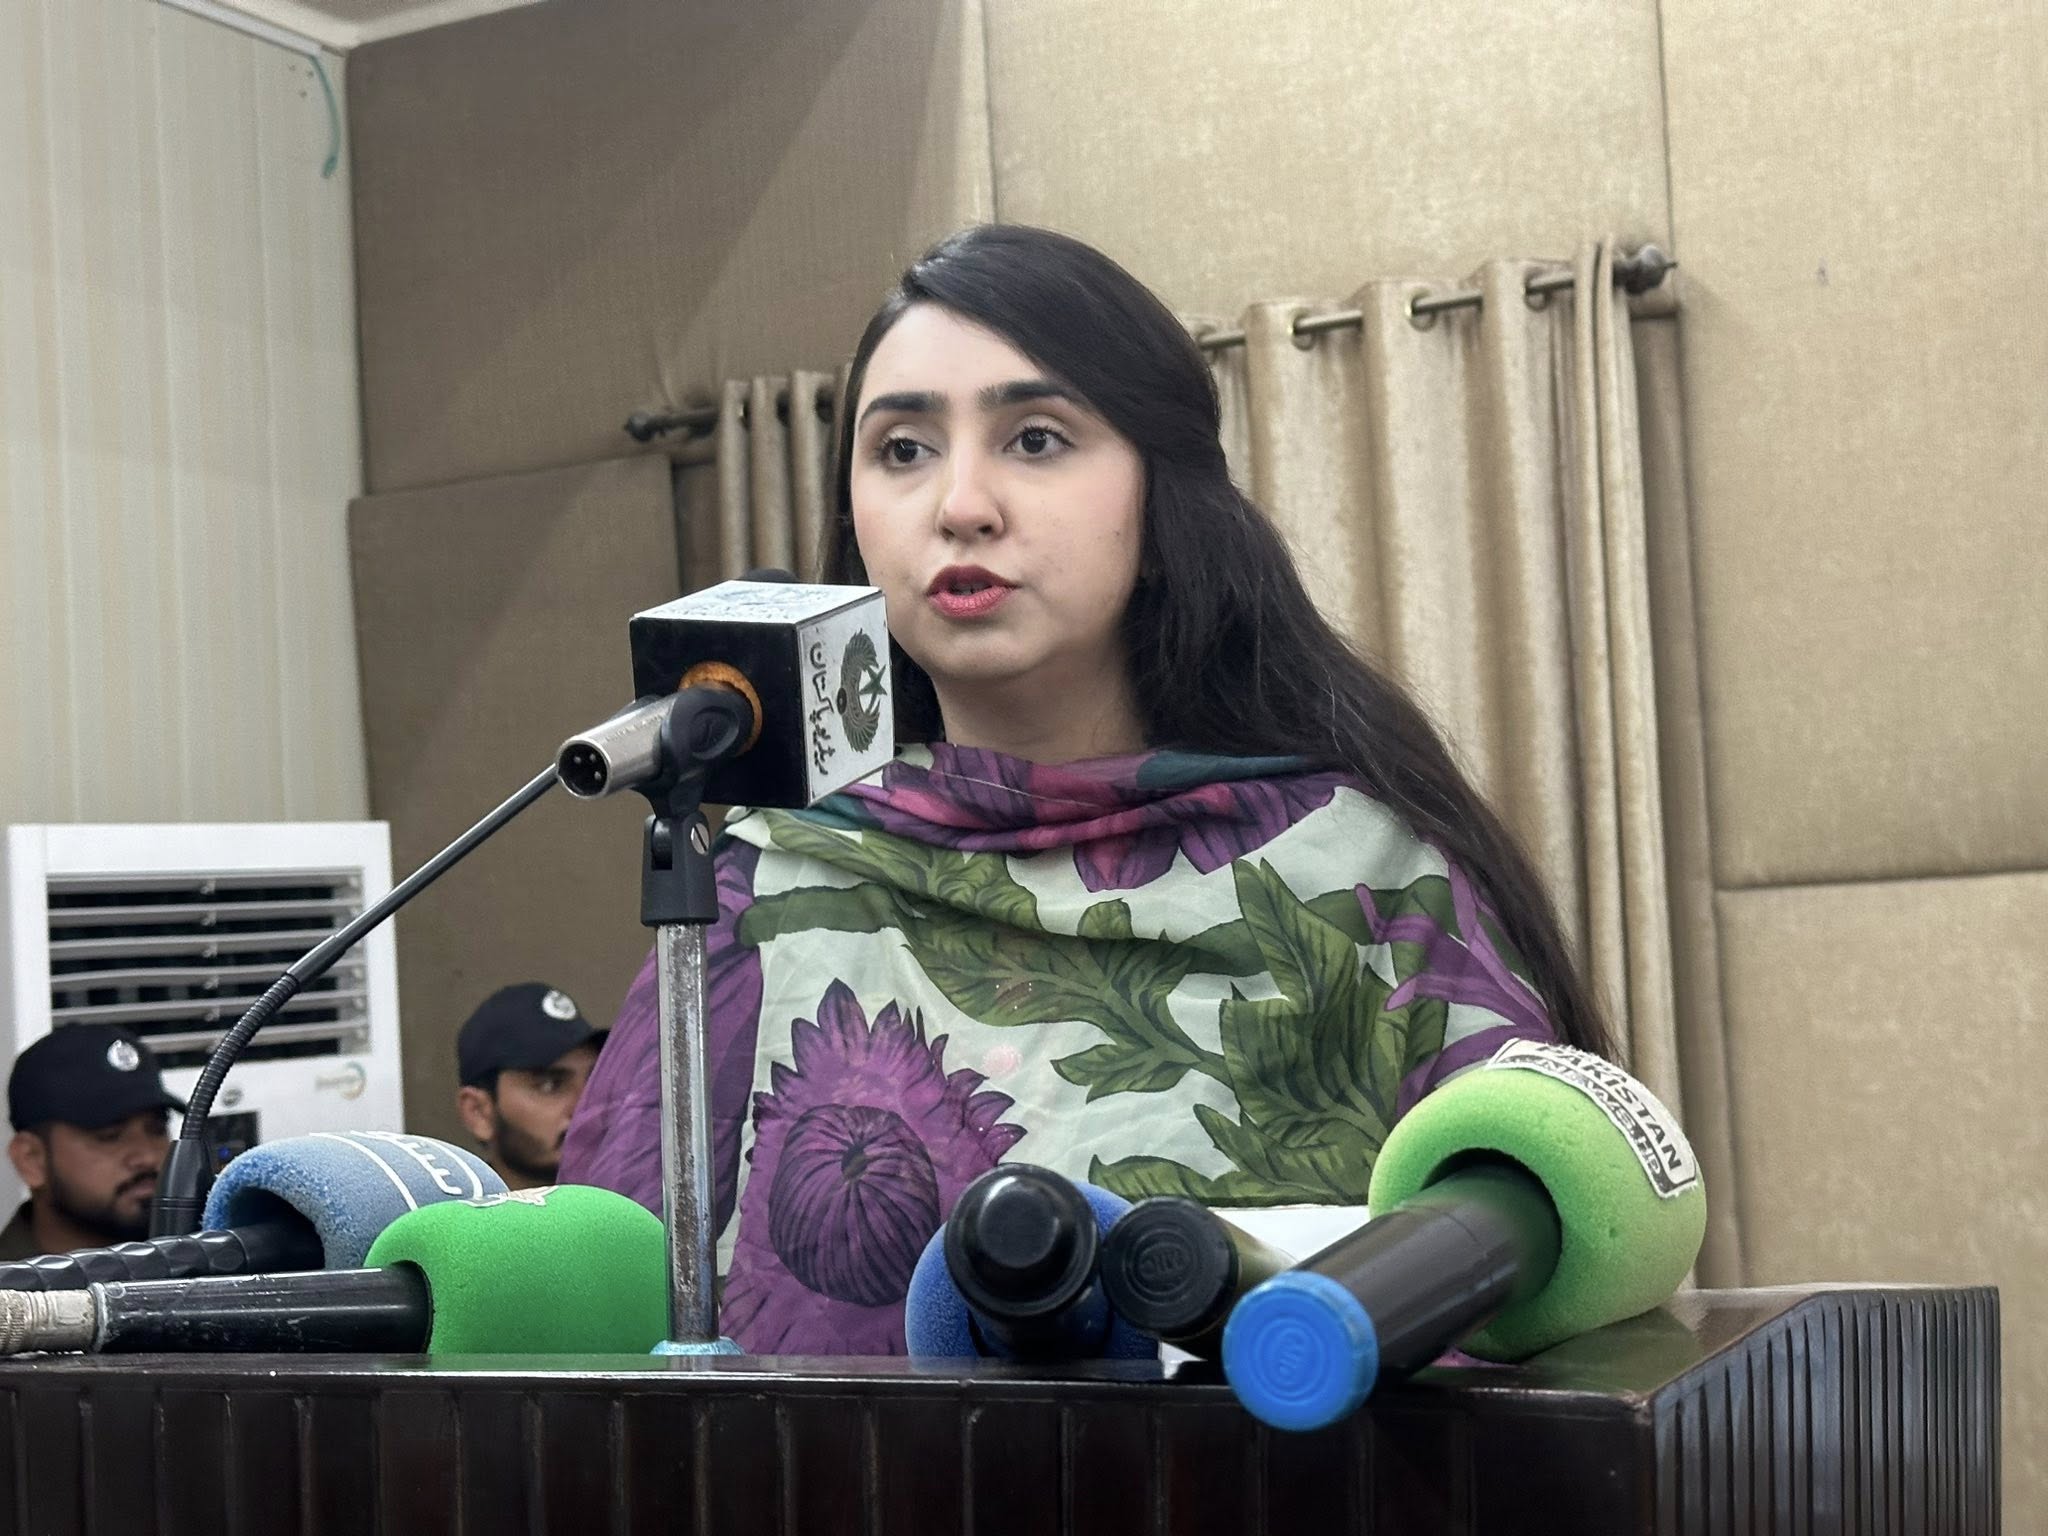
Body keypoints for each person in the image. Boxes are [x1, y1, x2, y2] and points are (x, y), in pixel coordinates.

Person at [561, 224, 1610, 1354]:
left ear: (1161, 510)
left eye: (1035, 439)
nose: (960, 504)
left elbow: (1537, 1309)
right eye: (903, 449)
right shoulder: (764, 881)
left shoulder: (1363, 879)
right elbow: (601, 1332)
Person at [1, 1023, 183, 1259]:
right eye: (109, 1136)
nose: (147, 1157)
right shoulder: (9, 1281)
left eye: (157, 1129)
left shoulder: (209, 1259)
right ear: (31, 1160)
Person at [454, 983, 605, 1191]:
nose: (585, 1106)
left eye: (596, 1080)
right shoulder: (448, 1212)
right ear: (478, 1112)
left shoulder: (639, 1208)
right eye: (550, 1085)